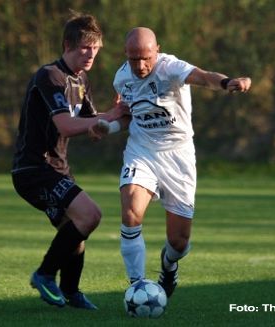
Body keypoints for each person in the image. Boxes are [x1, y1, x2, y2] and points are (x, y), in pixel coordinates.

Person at [90, 27, 251, 298]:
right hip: (142, 150)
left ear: (157, 50)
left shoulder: (171, 67)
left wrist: (226, 82)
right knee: (130, 211)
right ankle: (137, 285)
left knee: (179, 242)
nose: (140, 65)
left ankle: (168, 266)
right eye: (133, 59)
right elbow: (129, 116)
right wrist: (110, 128)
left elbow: (203, 77)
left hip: (179, 156)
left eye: (146, 58)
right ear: (126, 55)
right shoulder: (121, 79)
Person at [11, 12, 127, 310]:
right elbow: (66, 125)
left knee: (76, 230)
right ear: (68, 45)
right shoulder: (50, 75)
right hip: (34, 169)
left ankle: (72, 292)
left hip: (56, 169)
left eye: (96, 47)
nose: (91, 54)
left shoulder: (80, 79)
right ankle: (44, 274)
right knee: (90, 215)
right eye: (84, 47)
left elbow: (89, 124)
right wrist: (108, 118)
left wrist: (115, 118)